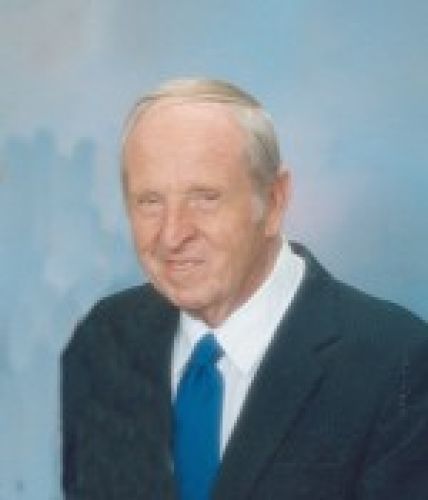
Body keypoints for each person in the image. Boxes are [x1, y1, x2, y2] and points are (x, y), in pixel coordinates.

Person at [62, 78, 428, 500]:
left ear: (273, 202)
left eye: (205, 197)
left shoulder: (396, 361)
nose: (172, 234)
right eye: (150, 201)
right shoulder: (103, 338)